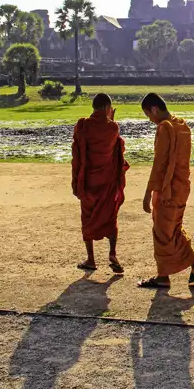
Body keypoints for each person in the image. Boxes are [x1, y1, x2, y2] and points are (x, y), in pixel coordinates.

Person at [137, 92, 194, 288]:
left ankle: (163, 277)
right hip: (182, 186)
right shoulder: (182, 125)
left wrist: (147, 193)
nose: (149, 120)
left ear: (154, 109)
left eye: (148, 115)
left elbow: (159, 164)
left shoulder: (164, 128)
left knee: (162, 231)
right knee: (173, 227)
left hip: (167, 189)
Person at [71, 93, 129, 274]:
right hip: (107, 182)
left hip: (88, 181)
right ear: (107, 108)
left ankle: (91, 259)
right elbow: (117, 144)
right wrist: (111, 120)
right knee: (110, 217)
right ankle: (112, 253)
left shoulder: (82, 125)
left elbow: (77, 152)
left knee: (87, 217)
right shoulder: (113, 128)